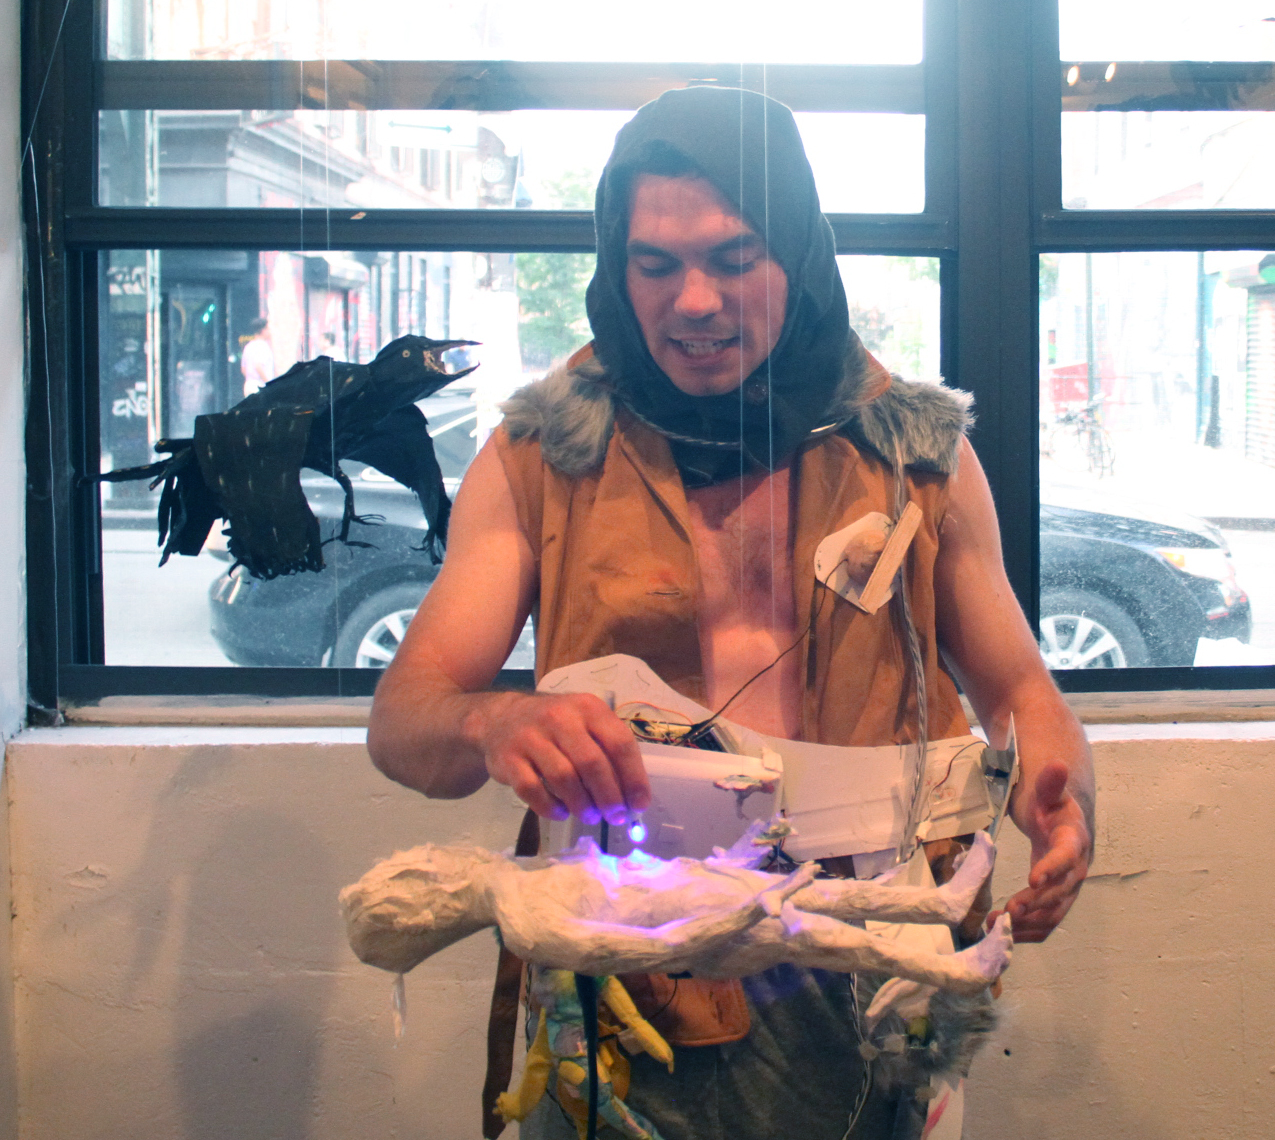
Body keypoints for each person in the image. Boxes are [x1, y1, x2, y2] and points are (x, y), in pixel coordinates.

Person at [367, 87, 1093, 1139]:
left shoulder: (915, 454)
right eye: (655, 264)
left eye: (733, 257)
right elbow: (406, 724)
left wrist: (1066, 805)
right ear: (617, 266)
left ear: (794, 253)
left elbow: (1020, 690)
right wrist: (494, 721)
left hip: (871, 960)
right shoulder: (541, 456)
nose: (694, 300)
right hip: (628, 971)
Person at [240, 317, 275, 396]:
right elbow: (258, 366)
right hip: (260, 386)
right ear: (263, 330)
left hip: (248, 385)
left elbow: (243, 369)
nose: (270, 331)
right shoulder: (263, 346)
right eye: (268, 329)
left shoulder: (248, 346)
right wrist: (269, 384)